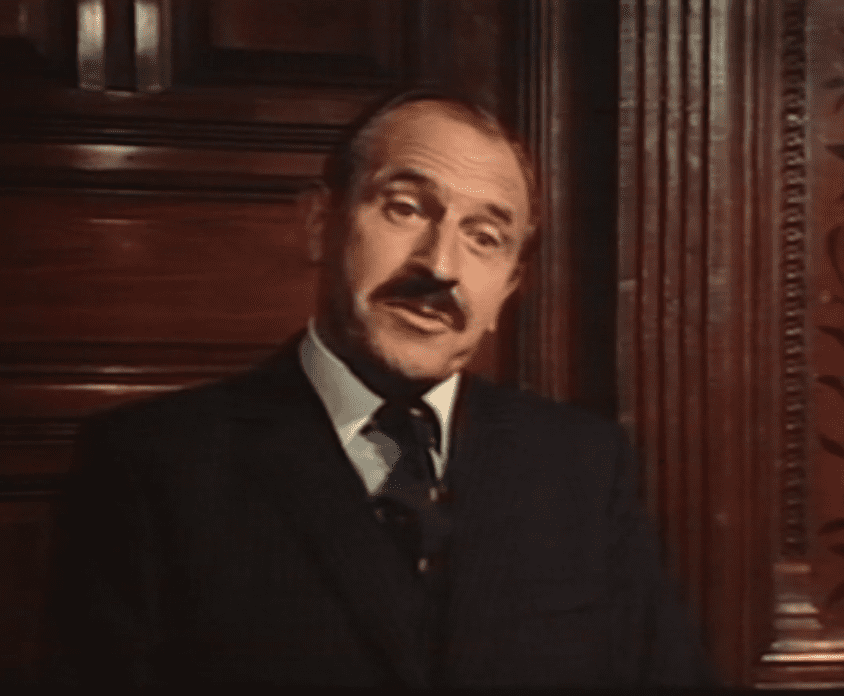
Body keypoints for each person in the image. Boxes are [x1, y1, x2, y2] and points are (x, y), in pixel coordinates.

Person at [53, 91, 715, 688]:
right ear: (321, 223)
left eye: (485, 238)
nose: (441, 265)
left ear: (508, 289)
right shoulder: (152, 465)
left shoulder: (581, 464)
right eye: (405, 208)